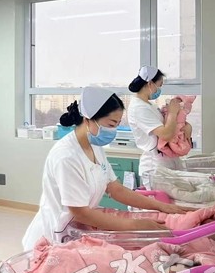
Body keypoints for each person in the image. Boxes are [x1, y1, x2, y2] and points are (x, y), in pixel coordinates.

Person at [22, 87, 190, 251]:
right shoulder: (66, 157)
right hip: (55, 236)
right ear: (88, 119)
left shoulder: (95, 147)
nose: (113, 130)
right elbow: (80, 212)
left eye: (117, 124)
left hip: (79, 228)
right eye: (111, 124)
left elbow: (116, 189)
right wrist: (136, 225)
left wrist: (160, 206)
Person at [127, 65, 192, 188]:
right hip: (155, 164)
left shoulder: (150, 105)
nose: (159, 89)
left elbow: (170, 125)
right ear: (150, 83)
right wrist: (172, 112)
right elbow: (166, 134)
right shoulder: (139, 108)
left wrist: (187, 127)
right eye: (159, 85)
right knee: (163, 199)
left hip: (167, 158)